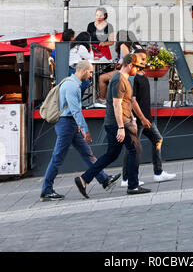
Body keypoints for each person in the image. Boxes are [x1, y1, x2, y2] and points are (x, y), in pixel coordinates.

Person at [40, 60, 120, 201]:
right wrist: (85, 130)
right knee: (58, 157)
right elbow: (75, 110)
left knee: (86, 153)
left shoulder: (72, 83)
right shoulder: (71, 86)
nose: (91, 76)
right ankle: (46, 190)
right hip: (66, 124)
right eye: (90, 72)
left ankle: (104, 179)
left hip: (69, 123)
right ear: (83, 70)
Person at [74, 53, 151, 198]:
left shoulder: (124, 79)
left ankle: (84, 179)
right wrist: (121, 127)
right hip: (119, 123)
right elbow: (117, 104)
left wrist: (137, 118)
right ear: (130, 65)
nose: (138, 71)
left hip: (119, 122)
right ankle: (133, 186)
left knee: (112, 154)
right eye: (137, 67)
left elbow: (128, 102)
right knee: (135, 150)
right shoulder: (119, 80)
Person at [121, 48, 176, 187]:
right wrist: (141, 118)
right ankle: (126, 179)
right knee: (133, 148)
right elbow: (132, 101)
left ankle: (158, 173)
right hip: (139, 120)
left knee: (157, 139)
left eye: (145, 59)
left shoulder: (143, 74)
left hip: (146, 118)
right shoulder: (133, 78)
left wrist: (146, 118)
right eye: (140, 59)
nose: (143, 61)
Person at [98, 30, 143, 104]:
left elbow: (127, 61)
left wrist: (119, 65)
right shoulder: (138, 46)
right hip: (139, 72)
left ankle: (103, 101)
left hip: (127, 72)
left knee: (102, 78)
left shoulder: (123, 46)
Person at [69, 32, 94, 96]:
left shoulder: (73, 46)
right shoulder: (81, 47)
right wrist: (91, 50)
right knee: (86, 82)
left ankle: (77, 98)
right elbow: (91, 59)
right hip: (74, 70)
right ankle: (76, 96)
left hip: (69, 69)